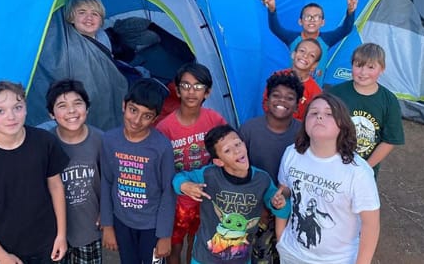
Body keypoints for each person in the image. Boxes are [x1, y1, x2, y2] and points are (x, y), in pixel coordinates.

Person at [0, 81, 69, 264]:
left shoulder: (45, 142)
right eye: (0, 111)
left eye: (17, 107)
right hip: (5, 250)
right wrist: (1, 256)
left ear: (26, 108)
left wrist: (61, 235)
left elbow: (56, 186)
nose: (11, 116)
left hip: (48, 244)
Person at [276, 93, 380, 264]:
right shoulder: (292, 153)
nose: (319, 116)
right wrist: (281, 238)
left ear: (343, 124)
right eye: (313, 112)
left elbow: (371, 225)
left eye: (329, 113)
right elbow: (285, 191)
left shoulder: (358, 172)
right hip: (292, 251)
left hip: (336, 260)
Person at [173, 124, 290, 264]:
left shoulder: (262, 179)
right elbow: (178, 178)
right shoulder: (209, 175)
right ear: (218, 162)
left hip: (240, 259)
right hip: (204, 258)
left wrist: (280, 204)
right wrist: (184, 185)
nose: (236, 151)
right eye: (227, 150)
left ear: (244, 145)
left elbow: (280, 206)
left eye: (238, 144)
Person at [156, 63, 227, 264]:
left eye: (198, 86)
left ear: (208, 92)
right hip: (177, 200)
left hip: (206, 199)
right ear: (177, 90)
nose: (191, 92)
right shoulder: (165, 127)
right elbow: (160, 169)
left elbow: (228, 148)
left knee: (198, 246)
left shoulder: (214, 120)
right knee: (174, 247)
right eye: (186, 86)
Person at [26, 0, 128, 131]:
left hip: (107, 96)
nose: (89, 18)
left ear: (101, 20)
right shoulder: (65, 45)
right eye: (82, 12)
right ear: (71, 18)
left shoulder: (103, 37)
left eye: (95, 14)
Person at [100, 78, 176, 264]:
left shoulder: (162, 147)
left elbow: (168, 191)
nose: (136, 120)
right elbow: (107, 181)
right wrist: (107, 226)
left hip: (152, 226)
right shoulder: (109, 140)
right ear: (124, 105)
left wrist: (165, 235)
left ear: (155, 118)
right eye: (133, 110)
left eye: (146, 115)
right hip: (122, 222)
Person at [240, 70, 303, 264]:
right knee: (258, 256)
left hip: (293, 209)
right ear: (266, 99)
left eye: (289, 98)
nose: (282, 101)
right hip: (256, 210)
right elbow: (240, 170)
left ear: (298, 104)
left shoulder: (303, 132)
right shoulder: (249, 129)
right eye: (276, 95)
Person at [45, 79, 103, 263]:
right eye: (62, 105)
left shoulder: (101, 140)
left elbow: (111, 180)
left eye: (77, 103)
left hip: (88, 229)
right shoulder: (44, 143)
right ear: (51, 114)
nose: (71, 111)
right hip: (51, 233)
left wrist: (106, 212)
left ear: (87, 108)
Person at [328, 43, 405, 179]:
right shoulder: (335, 93)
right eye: (358, 65)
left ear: (382, 69)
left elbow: (390, 140)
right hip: (331, 163)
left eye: (371, 67)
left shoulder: (389, 101)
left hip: (365, 168)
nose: (363, 73)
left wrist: (365, 168)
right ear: (351, 65)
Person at [264, 0, 358, 87]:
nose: (312, 20)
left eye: (317, 17)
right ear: (300, 21)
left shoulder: (327, 39)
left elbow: (346, 29)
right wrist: (272, 10)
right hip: (293, 89)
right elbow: (276, 28)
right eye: (308, 17)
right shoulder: (292, 38)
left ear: (323, 22)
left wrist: (350, 12)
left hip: (314, 92)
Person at [262, 38, 323, 121]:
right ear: (293, 54)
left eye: (311, 55)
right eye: (302, 51)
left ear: (314, 65)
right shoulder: (277, 76)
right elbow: (266, 102)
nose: (305, 56)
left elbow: (310, 118)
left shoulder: (315, 92)